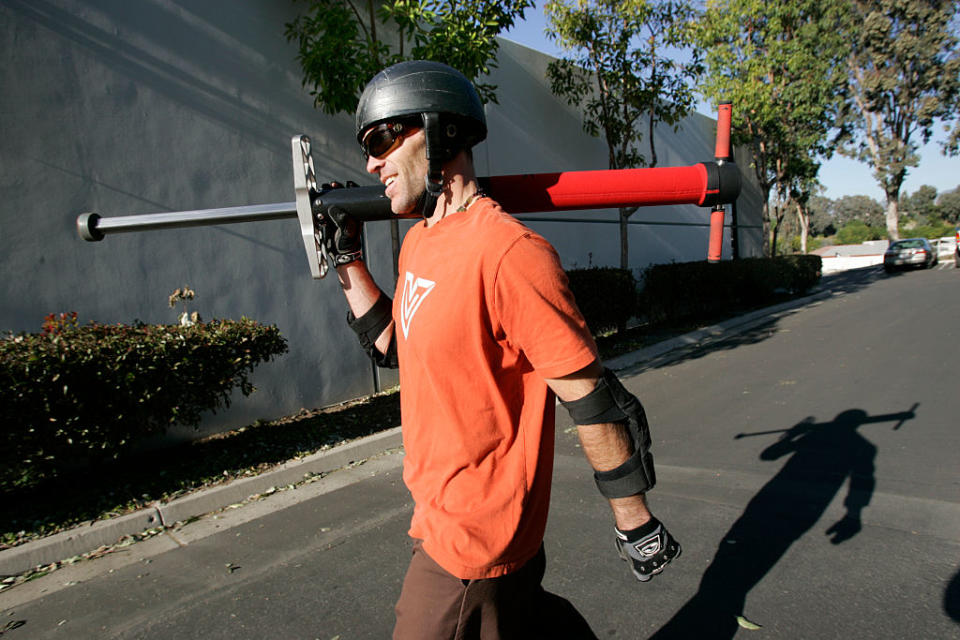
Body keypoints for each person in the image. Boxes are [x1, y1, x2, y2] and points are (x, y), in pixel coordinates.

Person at [322, 60, 680, 639]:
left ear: (442, 132)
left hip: (474, 538)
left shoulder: (510, 254)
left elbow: (589, 396)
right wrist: (347, 260)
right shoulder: (419, 243)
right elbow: (396, 347)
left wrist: (633, 520)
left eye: (385, 137)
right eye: (368, 145)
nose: (371, 162)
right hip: (437, 510)